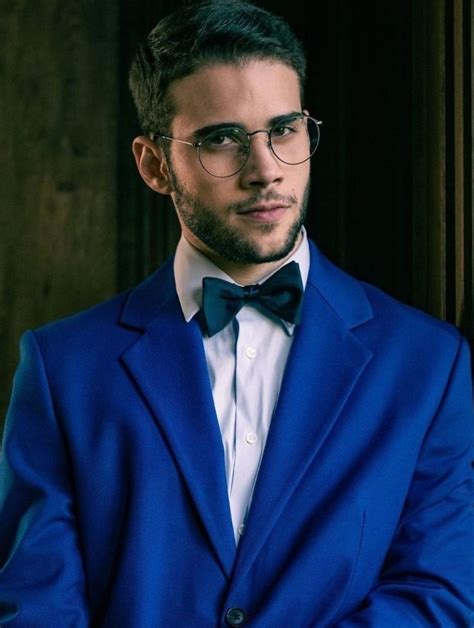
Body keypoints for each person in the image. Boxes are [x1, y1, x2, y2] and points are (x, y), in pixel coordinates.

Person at [0, 0, 472, 625]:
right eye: (221, 139)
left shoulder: (429, 365)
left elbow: (438, 595)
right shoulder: (63, 369)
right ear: (153, 165)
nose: (266, 171)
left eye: (284, 129)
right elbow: (37, 608)